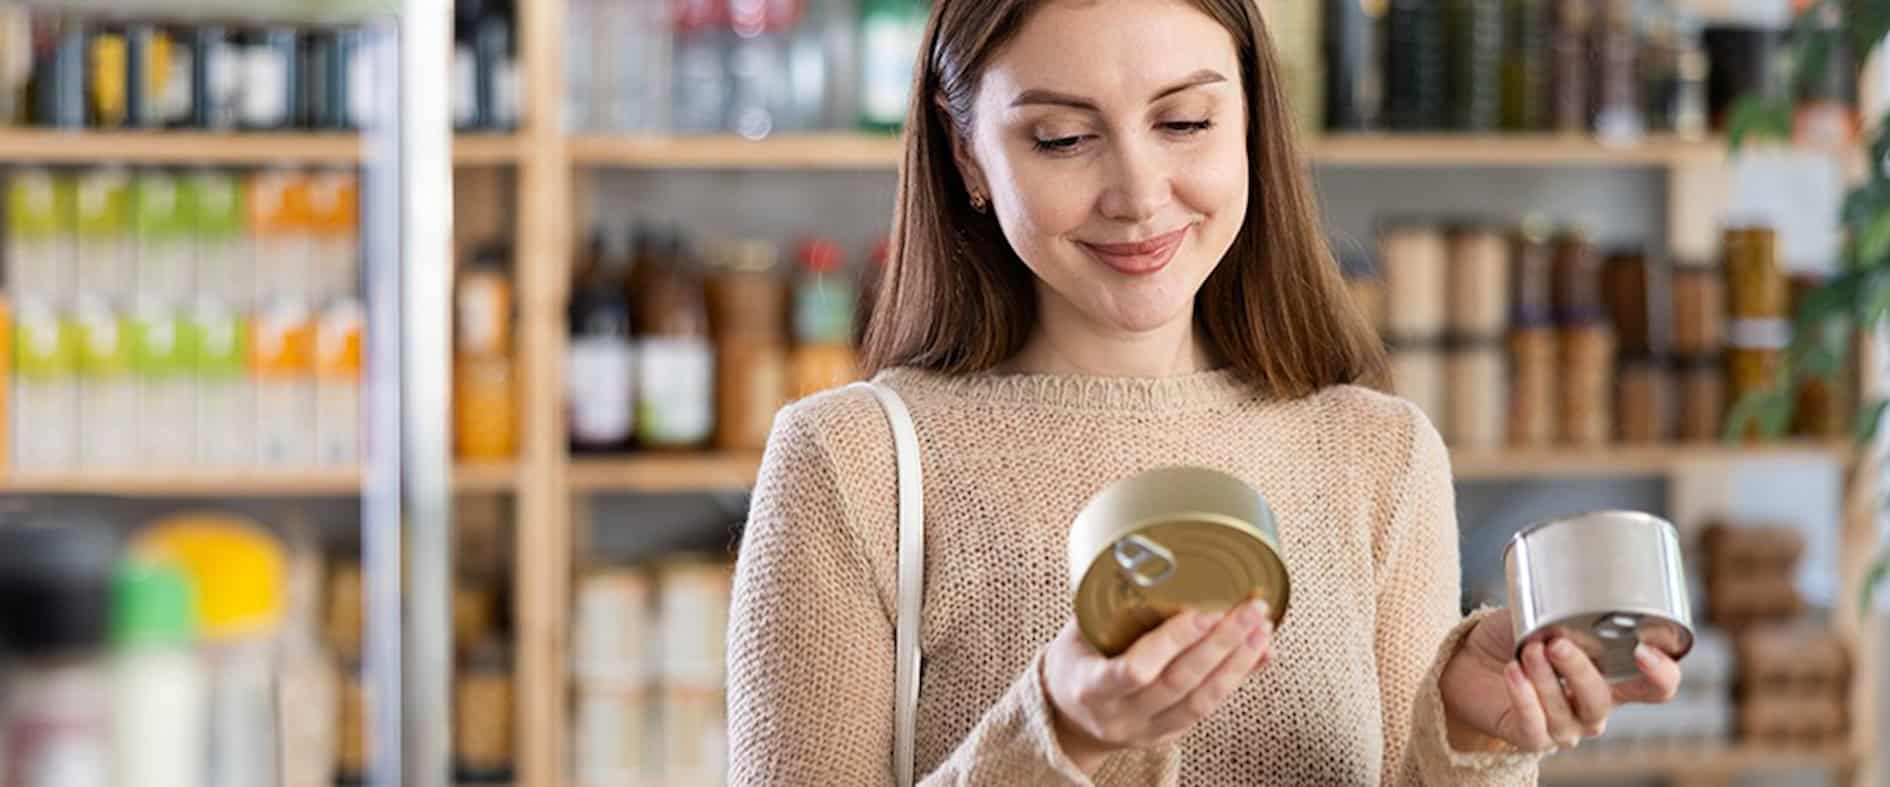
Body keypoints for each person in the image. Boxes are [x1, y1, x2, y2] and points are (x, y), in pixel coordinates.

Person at [726, 0, 1683, 782]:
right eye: (1062, 138)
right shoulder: (851, 463)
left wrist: (1472, 739)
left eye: (1186, 122)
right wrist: (1056, 732)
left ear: (1254, 121)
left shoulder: (1377, 454)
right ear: (969, 152)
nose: (1138, 194)